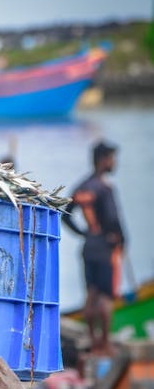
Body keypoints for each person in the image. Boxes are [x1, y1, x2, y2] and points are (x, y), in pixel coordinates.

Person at [63, 141, 126, 354]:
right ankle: (105, 343)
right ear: (103, 160)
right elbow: (112, 219)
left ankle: (92, 339)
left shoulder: (83, 186)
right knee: (106, 296)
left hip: (89, 246)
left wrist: (83, 233)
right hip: (105, 246)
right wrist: (121, 241)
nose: (114, 162)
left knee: (91, 294)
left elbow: (65, 213)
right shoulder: (104, 188)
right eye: (112, 158)